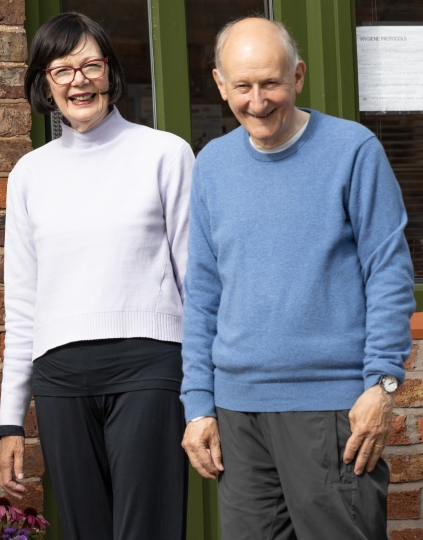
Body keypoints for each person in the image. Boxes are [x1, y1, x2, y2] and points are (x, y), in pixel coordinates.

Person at [181, 17, 415, 540]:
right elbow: (202, 294)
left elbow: (389, 273)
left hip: (332, 409)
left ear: (299, 76)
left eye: (272, 83)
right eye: (242, 86)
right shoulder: (212, 165)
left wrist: (382, 384)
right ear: (220, 84)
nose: (258, 101)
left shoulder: (354, 151)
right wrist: (198, 403)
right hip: (238, 412)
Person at [0, 12, 194, 540]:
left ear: (110, 73)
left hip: (149, 368)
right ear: (45, 83)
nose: (78, 80)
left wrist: (202, 395)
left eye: (90, 65)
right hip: (60, 378)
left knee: (147, 529)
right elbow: (23, 303)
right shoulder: (30, 175)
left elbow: (196, 284)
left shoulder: (165, 154)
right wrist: (11, 422)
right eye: (62, 69)